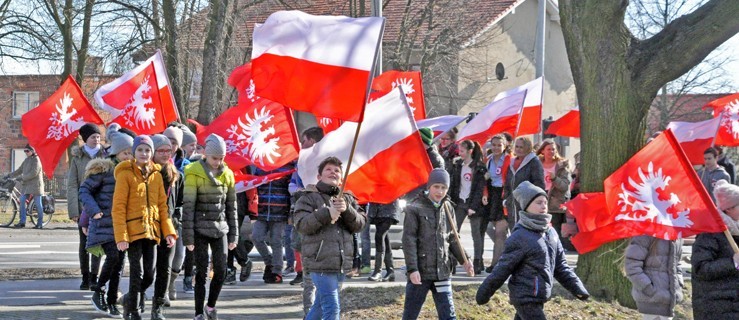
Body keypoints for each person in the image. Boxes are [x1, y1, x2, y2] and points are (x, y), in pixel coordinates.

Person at [476, 181, 589, 318]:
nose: (543, 206)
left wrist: (578, 288)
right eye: (538, 203)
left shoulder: (551, 233)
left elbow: (561, 267)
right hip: (525, 298)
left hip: (540, 296)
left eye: (545, 202)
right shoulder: (520, 236)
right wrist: (485, 292)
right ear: (527, 206)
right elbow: (503, 269)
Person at [112, 135, 177, 320]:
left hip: (152, 232)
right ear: (134, 152)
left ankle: (129, 300)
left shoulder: (156, 175)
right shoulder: (125, 174)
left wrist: (169, 232)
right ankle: (132, 311)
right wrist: (121, 236)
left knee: (149, 274)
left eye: (147, 150)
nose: (144, 153)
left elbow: (162, 207)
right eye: (140, 150)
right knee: (136, 272)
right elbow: (118, 208)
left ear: (151, 152)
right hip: (132, 233)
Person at [293, 157, 366, 320]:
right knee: (332, 309)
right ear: (319, 176)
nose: (333, 172)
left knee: (319, 307)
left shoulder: (348, 198)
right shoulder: (308, 197)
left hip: (340, 263)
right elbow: (302, 225)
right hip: (319, 262)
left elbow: (360, 224)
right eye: (328, 169)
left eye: (337, 171)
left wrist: (347, 211)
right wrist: (326, 213)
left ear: (341, 178)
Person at [402, 168, 473, 320]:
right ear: (429, 187)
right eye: (436, 187)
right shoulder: (415, 207)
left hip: (442, 271)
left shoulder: (448, 208)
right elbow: (409, 240)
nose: (439, 191)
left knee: (448, 315)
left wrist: (465, 260)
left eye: (443, 187)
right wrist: (412, 269)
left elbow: (453, 238)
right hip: (420, 272)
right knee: (410, 315)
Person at [182, 133, 239, 320]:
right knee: (202, 272)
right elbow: (188, 207)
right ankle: (198, 312)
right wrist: (188, 238)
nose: (218, 162)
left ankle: (210, 306)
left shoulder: (228, 174)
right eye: (215, 158)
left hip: (220, 228)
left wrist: (234, 235)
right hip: (199, 228)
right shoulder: (193, 172)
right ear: (206, 154)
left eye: (221, 158)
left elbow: (232, 206)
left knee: (221, 270)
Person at [80, 130, 133, 317]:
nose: (129, 156)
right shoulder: (104, 170)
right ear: (115, 153)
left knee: (120, 263)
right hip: (104, 223)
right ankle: (98, 289)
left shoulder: (131, 171)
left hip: (122, 225)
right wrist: (93, 211)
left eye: (130, 152)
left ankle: (111, 300)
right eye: (125, 153)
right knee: (113, 257)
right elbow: (84, 191)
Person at [149, 134, 185, 319]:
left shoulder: (176, 175)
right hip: (148, 225)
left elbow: (179, 202)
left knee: (165, 267)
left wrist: (176, 219)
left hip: (169, 227)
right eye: (160, 150)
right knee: (148, 271)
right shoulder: (146, 172)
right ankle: (134, 300)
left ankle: (158, 307)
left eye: (168, 150)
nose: (164, 154)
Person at [692, 180, 739, 319]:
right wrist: (733, 263)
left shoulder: (736, 232)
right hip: (715, 308)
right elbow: (701, 268)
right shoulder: (709, 233)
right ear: (729, 209)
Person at [288, 126, 323, 315]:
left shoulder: (328, 161)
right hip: (305, 226)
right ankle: (309, 314)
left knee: (325, 283)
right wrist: (300, 191)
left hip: (325, 238)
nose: (302, 145)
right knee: (309, 280)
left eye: (304, 141)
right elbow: (292, 186)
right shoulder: (301, 162)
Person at [68, 123, 105, 290]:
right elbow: (72, 185)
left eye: (98, 136)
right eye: (93, 137)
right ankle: (84, 276)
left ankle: (94, 277)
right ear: (85, 139)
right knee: (84, 243)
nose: (96, 139)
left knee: (97, 242)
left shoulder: (105, 154)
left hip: (100, 206)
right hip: (83, 207)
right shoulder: (77, 158)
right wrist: (74, 210)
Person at [448, 140, 488, 275]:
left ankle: (477, 261)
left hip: (473, 204)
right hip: (459, 202)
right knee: (453, 232)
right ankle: (452, 260)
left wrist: (473, 206)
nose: (460, 153)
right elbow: (453, 184)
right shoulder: (457, 165)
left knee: (476, 234)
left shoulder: (479, 167)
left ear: (470, 151)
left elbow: (479, 188)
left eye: (463, 151)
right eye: (460, 150)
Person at [252, 161, 295, 283]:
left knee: (276, 241)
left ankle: (277, 271)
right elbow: (253, 185)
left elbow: (291, 191)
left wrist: (291, 212)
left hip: (280, 210)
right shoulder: (260, 165)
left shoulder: (288, 166)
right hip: (261, 209)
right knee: (256, 237)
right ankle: (269, 261)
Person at [624, 235, 684, 320]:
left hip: (669, 300)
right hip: (651, 299)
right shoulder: (644, 236)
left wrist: (679, 283)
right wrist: (648, 288)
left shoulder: (677, 237)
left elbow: (677, 263)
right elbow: (632, 266)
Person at [162, 125, 190, 302]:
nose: (171, 146)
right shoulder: (156, 162)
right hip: (161, 218)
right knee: (165, 256)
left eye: (174, 143)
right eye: (168, 141)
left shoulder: (185, 166)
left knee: (180, 256)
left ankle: (172, 282)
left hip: (178, 217)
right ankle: (163, 290)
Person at [503, 136, 545, 230]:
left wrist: (531, 201)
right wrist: (506, 200)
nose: (518, 149)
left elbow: (539, 184)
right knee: (514, 231)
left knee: (525, 232)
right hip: (512, 205)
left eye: (521, 147)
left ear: (527, 147)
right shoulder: (512, 162)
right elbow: (507, 183)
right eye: (516, 146)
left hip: (527, 205)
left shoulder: (534, 162)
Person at [536, 139, 572, 248]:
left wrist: (554, 178)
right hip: (540, 200)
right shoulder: (537, 164)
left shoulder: (562, 165)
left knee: (554, 232)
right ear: (542, 151)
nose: (551, 152)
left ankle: (555, 254)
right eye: (548, 149)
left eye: (553, 149)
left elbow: (564, 186)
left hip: (556, 203)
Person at [483, 134, 511, 272]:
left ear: (505, 146)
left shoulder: (509, 160)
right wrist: (485, 194)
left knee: (500, 232)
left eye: (499, 145)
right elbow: (485, 181)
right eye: (493, 145)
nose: (496, 148)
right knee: (489, 228)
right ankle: (508, 251)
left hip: (504, 195)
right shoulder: (488, 160)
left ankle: (496, 263)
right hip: (493, 196)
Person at [9, 144, 44, 229]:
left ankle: (39, 223)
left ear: (32, 151)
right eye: (25, 151)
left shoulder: (36, 160)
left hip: (36, 186)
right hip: (27, 185)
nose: (26, 152)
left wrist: (22, 177)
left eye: (27, 151)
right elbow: (19, 170)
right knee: (22, 200)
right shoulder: (26, 160)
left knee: (38, 204)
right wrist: (10, 175)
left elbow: (33, 173)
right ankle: (22, 222)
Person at [366, 200, 400, 282]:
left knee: (379, 236)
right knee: (385, 239)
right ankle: (390, 271)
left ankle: (378, 271)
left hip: (388, 210)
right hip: (377, 211)